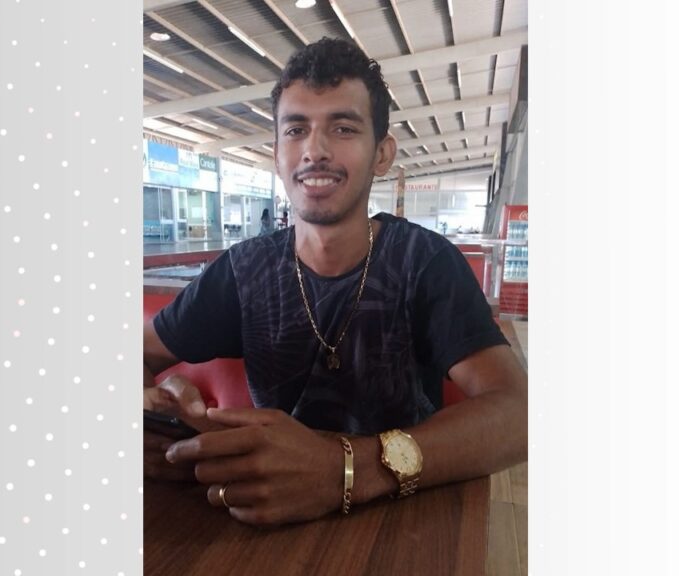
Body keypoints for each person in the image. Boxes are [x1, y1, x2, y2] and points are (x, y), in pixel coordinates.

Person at [144, 37, 526, 526]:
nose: (315, 150)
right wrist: (153, 410)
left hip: (401, 520)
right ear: (277, 153)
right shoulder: (244, 271)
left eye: (343, 128)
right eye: (296, 130)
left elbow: (518, 414)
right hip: (265, 521)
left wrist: (344, 472)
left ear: (382, 154)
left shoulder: (423, 262)